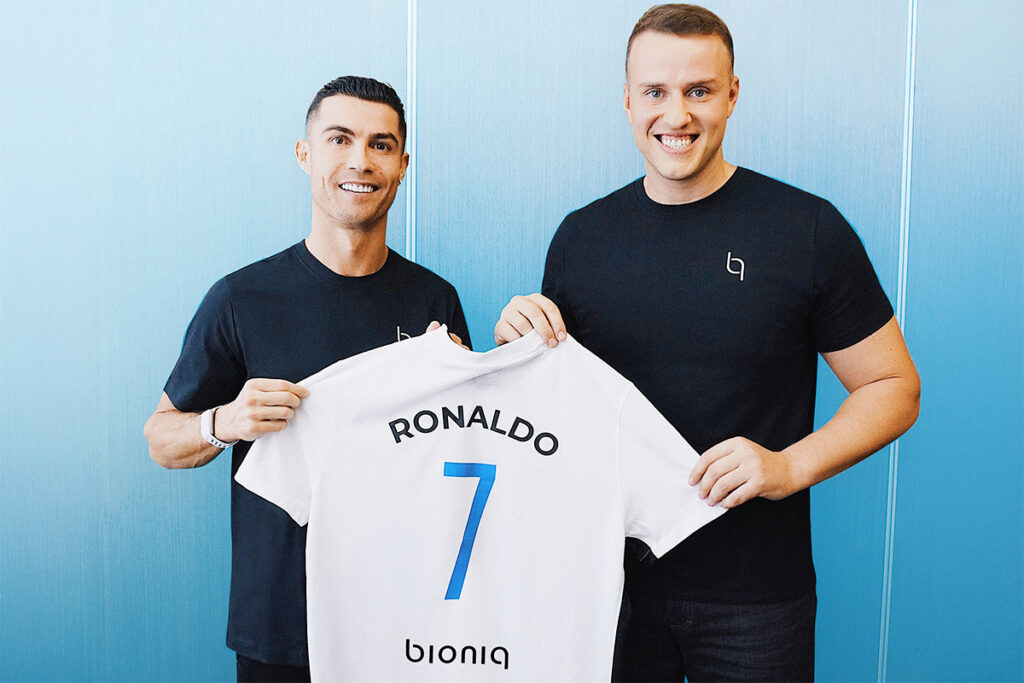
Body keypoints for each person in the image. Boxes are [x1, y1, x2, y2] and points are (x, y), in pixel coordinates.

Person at [494, 4, 920, 681]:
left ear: (732, 95)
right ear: (627, 101)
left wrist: (789, 467)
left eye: (699, 91)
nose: (677, 114)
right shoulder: (580, 239)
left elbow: (893, 386)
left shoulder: (807, 230)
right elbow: (552, 414)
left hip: (757, 599)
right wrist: (514, 348)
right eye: (655, 92)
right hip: (607, 587)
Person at [144, 75, 471, 682]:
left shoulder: (434, 302)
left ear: (402, 165)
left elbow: (461, 455)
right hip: (280, 625)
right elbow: (161, 439)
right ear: (305, 154)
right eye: (339, 139)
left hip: (403, 622)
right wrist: (226, 421)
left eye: (380, 145)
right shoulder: (241, 298)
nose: (359, 161)